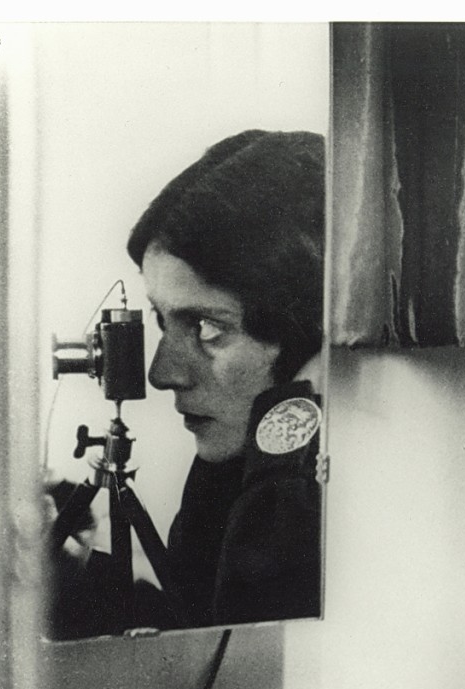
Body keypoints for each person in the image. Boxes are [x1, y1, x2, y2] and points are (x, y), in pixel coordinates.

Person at [125, 129, 325, 629]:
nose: (161, 373)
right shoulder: (224, 466)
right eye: (161, 320)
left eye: (209, 328)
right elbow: (202, 627)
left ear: (306, 335)